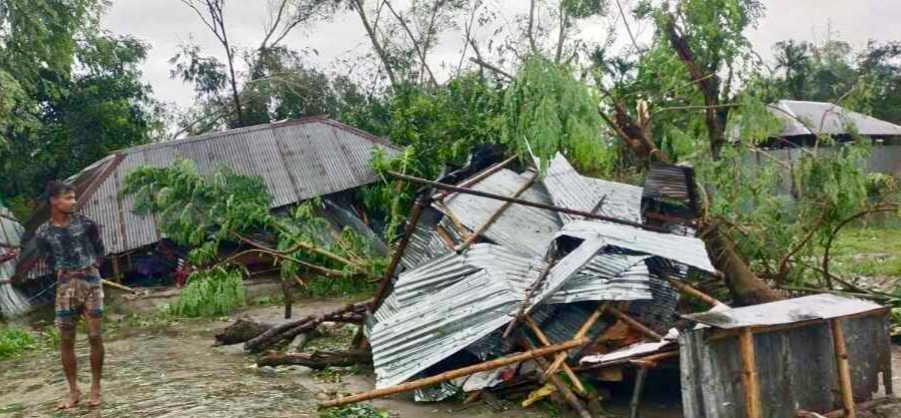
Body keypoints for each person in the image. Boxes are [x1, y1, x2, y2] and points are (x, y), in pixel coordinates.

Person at [35, 182, 106, 409]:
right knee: (67, 339)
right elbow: (48, 259)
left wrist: (91, 270)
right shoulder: (43, 233)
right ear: (54, 200)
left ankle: (96, 387)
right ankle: (74, 390)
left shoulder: (86, 224)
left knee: (94, 335)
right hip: (65, 285)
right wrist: (63, 270)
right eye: (68, 198)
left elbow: (99, 250)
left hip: (91, 281)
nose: (74, 202)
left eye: (74, 197)